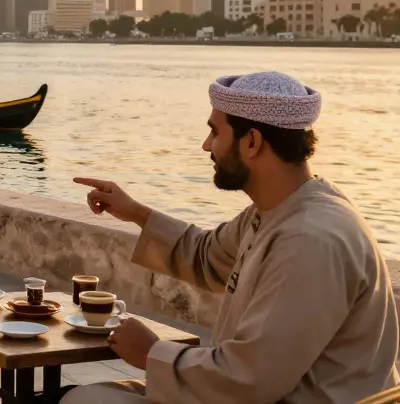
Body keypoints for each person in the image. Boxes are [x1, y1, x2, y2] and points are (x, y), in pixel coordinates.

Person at [66, 71, 399, 404]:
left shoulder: (308, 239)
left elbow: (250, 380)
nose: (206, 145)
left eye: (215, 132)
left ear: (252, 142)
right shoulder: (275, 211)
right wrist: (135, 212)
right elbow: (206, 255)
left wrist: (152, 352)